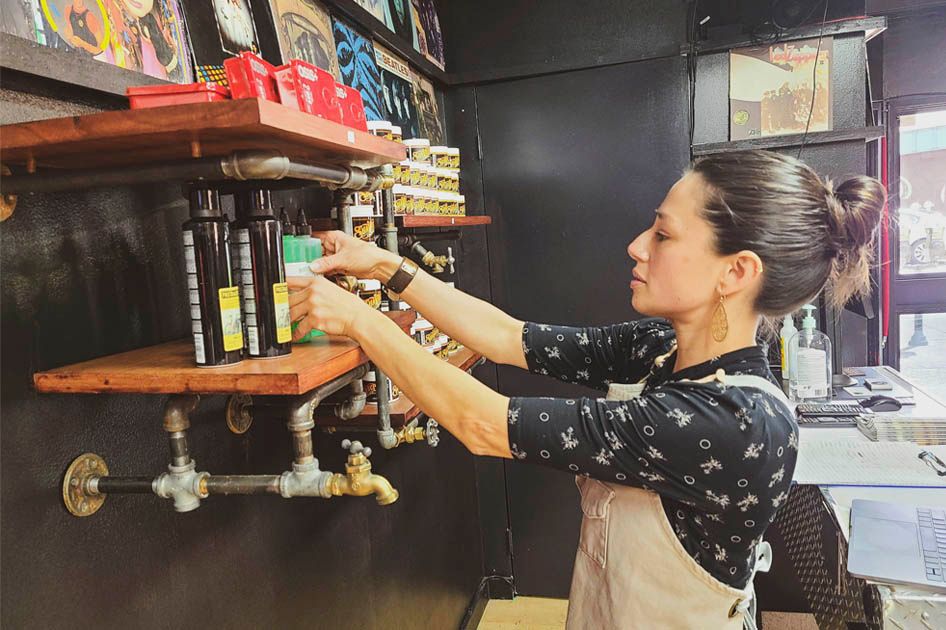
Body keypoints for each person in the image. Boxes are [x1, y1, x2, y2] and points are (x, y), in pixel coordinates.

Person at [286, 150, 885, 629]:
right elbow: (509, 336)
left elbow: (484, 424)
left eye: (664, 235)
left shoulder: (731, 420)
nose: (637, 246)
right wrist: (386, 268)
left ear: (736, 271)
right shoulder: (662, 346)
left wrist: (363, 323)